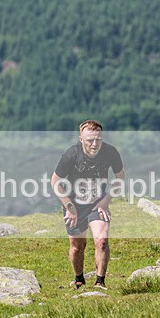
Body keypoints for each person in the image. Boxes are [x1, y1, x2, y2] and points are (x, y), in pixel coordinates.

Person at [50, 120, 125, 290]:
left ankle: (100, 282)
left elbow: (120, 176)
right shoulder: (71, 155)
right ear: (81, 139)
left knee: (102, 240)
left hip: (97, 203)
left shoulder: (110, 152)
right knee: (78, 247)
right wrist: (69, 207)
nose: (94, 144)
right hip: (74, 205)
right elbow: (55, 181)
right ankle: (79, 279)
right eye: (90, 140)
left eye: (98, 139)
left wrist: (105, 201)